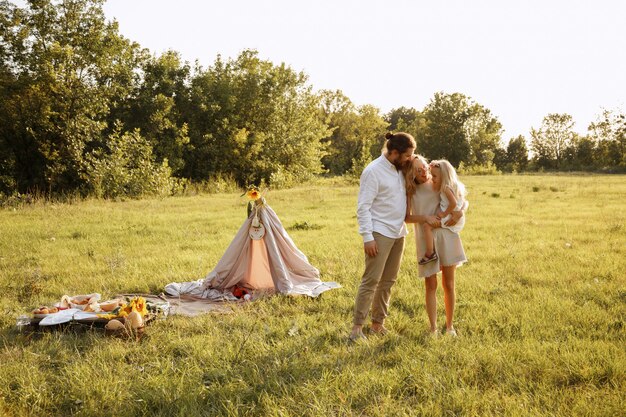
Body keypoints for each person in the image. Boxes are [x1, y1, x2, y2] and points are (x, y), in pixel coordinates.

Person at [349, 132, 416, 341]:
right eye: (407, 155)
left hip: (398, 233)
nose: (409, 159)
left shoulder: (400, 168)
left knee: (388, 281)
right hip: (379, 233)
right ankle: (356, 329)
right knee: (371, 280)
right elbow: (363, 207)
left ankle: (378, 324)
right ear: (394, 152)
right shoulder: (373, 171)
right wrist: (367, 237)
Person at [404, 155, 467, 337]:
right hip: (426, 238)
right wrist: (426, 218)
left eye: (424, 167)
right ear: (411, 174)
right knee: (430, 284)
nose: (423, 172)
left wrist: (459, 213)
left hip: (446, 235)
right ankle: (433, 328)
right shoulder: (411, 190)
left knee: (449, 283)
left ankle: (450, 326)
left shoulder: (439, 180)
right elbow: (407, 217)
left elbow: (461, 199)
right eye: (418, 170)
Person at [419, 159, 467, 265]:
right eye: (431, 175)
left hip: (450, 216)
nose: (432, 179)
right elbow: (462, 202)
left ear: (444, 176)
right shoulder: (453, 185)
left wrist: (444, 214)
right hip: (455, 216)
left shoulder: (445, 187)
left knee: (427, 226)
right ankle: (431, 252)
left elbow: (453, 204)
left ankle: (430, 253)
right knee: (428, 226)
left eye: (435, 176)